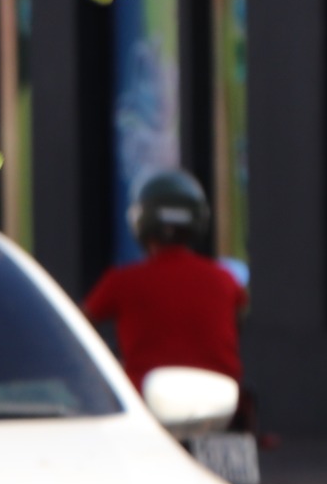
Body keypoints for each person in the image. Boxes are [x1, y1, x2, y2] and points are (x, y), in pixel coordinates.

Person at [82, 168, 249, 392]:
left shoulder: (122, 282)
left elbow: (76, 326)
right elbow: (239, 321)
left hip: (146, 411)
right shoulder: (225, 280)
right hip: (222, 410)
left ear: (141, 220)